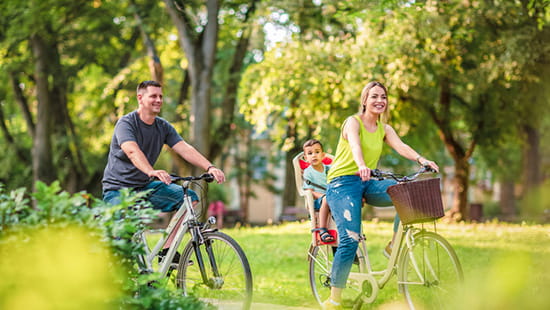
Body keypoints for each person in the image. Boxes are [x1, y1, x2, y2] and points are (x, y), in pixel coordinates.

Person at [322, 81, 439, 309]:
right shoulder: (352, 122)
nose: (379, 101)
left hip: (366, 181)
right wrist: (362, 164)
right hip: (342, 184)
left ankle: (392, 245)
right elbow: (355, 145)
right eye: (374, 96)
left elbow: (401, 146)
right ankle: (334, 299)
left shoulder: (385, 128)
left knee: (405, 193)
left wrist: (422, 160)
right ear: (364, 100)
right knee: (349, 240)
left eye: (383, 97)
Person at [102, 80, 225, 262]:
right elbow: (132, 151)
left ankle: (166, 251)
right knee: (122, 245)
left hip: (145, 187)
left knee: (189, 199)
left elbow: (185, 148)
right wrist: (150, 171)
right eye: (153, 96)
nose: (158, 100)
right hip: (118, 190)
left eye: (160, 96)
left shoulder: (163, 126)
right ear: (140, 98)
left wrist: (210, 166)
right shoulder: (126, 123)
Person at [302, 139, 335, 243]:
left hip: (333, 197)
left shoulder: (329, 169)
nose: (314, 155)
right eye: (310, 153)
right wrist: (325, 195)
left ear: (323, 155)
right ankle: (323, 230)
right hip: (318, 200)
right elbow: (310, 191)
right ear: (305, 157)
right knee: (326, 199)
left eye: (317, 152)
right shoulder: (308, 172)